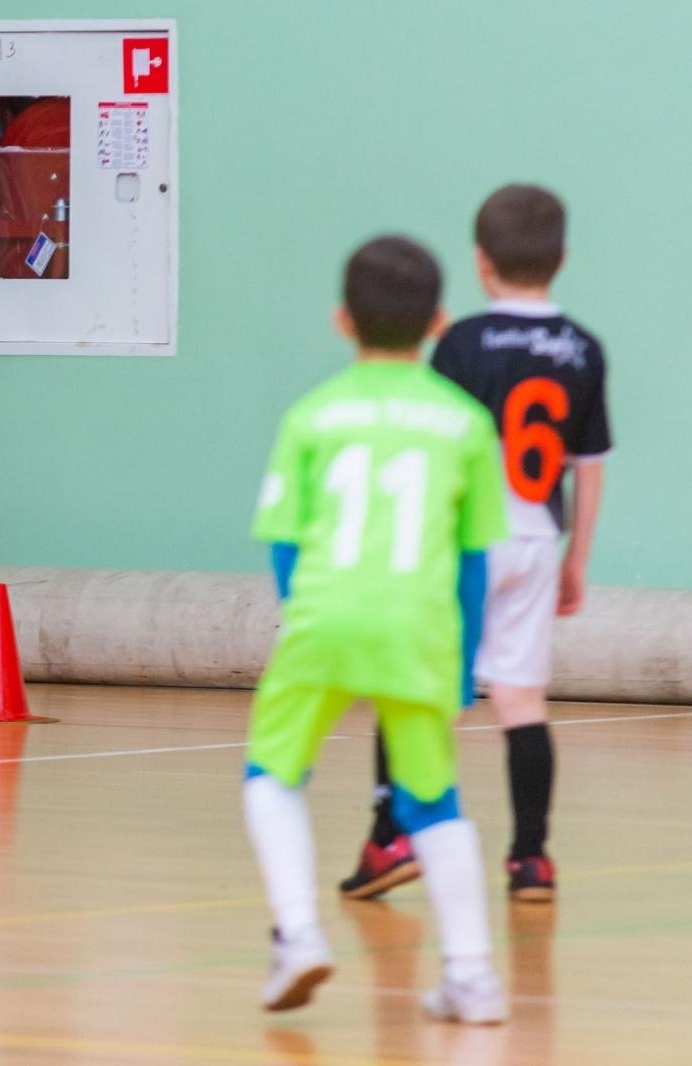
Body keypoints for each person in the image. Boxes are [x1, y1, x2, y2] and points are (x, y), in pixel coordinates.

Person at [246, 235, 510, 1022]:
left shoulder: (311, 415)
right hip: (418, 628)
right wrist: (463, 663)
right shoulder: (464, 423)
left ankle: (298, 933)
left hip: (324, 621)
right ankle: (471, 976)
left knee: (271, 775)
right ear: (437, 320)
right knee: (434, 801)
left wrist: (307, 620)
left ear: (340, 320)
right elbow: (473, 564)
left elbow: (286, 544)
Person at [340, 184, 612, 904]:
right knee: (521, 699)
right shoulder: (582, 348)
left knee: (412, 685)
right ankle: (531, 858)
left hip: (463, 540)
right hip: (534, 540)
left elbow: (432, 442)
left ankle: (388, 835)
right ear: (561, 259)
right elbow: (589, 468)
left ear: (482, 262)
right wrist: (575, 560)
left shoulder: (462, 343)